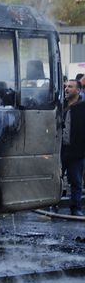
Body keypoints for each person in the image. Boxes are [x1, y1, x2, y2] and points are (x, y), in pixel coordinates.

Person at [62, 79, 85, 216]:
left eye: (70, 87)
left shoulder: (82, 107)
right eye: (66, 86)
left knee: (76, 180)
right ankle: (53, 204)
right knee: (57, 178)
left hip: (76, 150)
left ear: (78, 90)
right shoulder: (61, 105)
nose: (66, 89)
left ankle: (76, 207)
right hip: (61, 149)